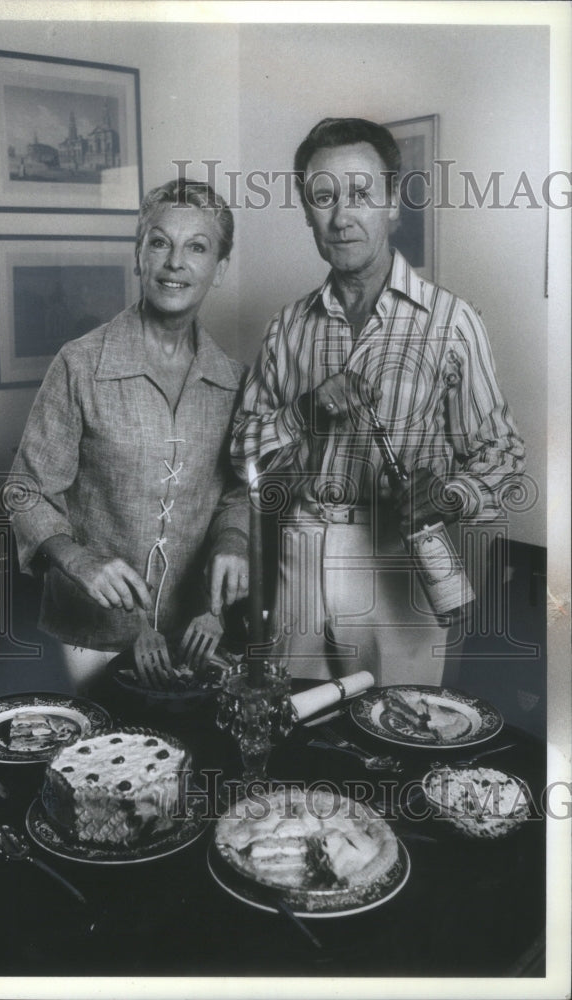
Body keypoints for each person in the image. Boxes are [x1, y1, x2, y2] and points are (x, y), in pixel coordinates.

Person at [231, 118, 525, 686]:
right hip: (302, 560)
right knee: (298, 735)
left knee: (404, 732)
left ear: (394, 202)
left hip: (402, 564)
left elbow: (503, 455)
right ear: (306, 211)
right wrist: (305, 412)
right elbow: (239, 452)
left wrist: (448, 494)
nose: (342, 217)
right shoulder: (286, 329)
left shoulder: (452, 323)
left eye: (362, 193)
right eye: (323, 197)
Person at [9, 179, 249, 694]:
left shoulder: (233, 380)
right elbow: (26, 491)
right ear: (139, 256)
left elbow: (238, 490)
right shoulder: (80, 364)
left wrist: (233, 538)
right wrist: (78, 560)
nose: (175, 263)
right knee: (99, 759)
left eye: (197, 247)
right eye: (160, 242)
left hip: (192, 629)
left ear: (219, 269)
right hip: (89, 629)